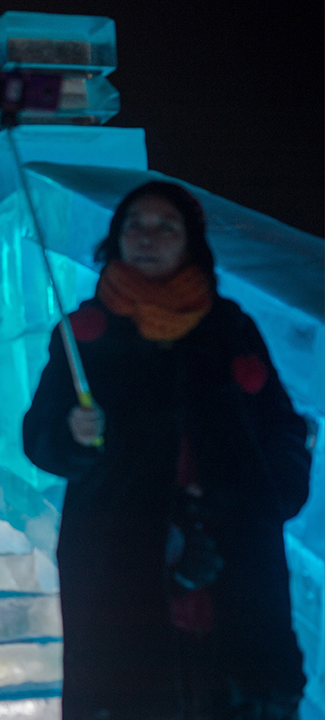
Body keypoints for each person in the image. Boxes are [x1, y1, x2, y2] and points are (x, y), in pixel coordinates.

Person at [22, 181, 310, 720]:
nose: (147, 238)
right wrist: (72, 436)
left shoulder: (229, 327)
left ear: (190, 243)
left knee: (235, 691)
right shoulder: (85, 333)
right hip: (121, 553)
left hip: (232, 550)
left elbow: (282, 426)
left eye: (165, 226)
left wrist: (273, 497)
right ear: (115, 239)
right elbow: (39, 438)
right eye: (134, 225)